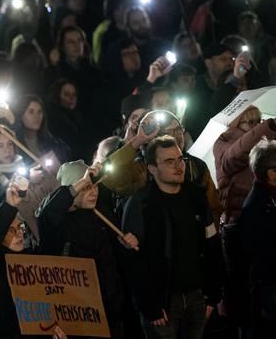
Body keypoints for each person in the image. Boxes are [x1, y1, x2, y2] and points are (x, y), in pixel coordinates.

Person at [121, 136, 224, 339]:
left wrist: (212, 294)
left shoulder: (196, 196)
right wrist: (149, 305)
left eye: (180, 159)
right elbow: (133, 260)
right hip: (163, 302)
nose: (178, 166)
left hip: (197, 296)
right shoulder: (141, 204)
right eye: (169, 161)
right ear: (152, 168)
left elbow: (212, 243)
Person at [35, 161, 139, 338]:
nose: (93, 192)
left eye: (95, 186)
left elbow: (113, 261)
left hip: (111, 311)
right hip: (79, 318)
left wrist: (126, 245)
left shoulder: (101, 213)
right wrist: (80, 183)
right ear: (72, 190)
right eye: (85, 188)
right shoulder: (58, 222)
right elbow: (48, 215)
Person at [0, 181, 65, 338]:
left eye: (21, 228)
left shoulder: (32, 261)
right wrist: (8, 206)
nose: (20, 234)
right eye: (10, 230)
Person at [214, 107, 276, 222]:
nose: (257, 126)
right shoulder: (222, 142)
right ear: (236, 123)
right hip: (240, 217)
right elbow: (232, 158)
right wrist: (270, 126)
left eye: (259, 121)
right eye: (251, 122)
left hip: (264, 209)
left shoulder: (262, 140)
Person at [240, 138, 276, 338]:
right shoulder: (255, 207)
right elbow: (261, 254)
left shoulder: (270, 198)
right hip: (269, 287)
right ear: (271, 173)